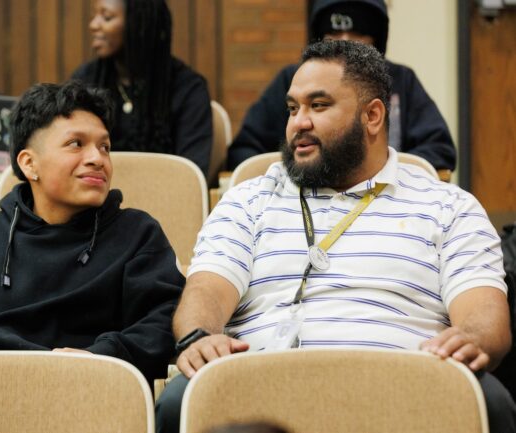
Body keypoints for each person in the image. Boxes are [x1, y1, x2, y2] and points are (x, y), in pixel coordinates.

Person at [156, 40, 515, 433]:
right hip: (261, 379)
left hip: (403, 381)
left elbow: (484, 315)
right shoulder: (249, 199)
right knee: (179, 400)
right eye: (292, 109)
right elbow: (207, 289)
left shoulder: (448, 206)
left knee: (490, 400)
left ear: (372, 116)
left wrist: (472, 337)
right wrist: (200, 336)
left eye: (318, 105)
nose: (298, 123)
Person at [0, 79, 184, 385]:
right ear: (29, 164)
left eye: (104, 146)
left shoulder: (136, 235)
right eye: (76, 144)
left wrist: (103, 356)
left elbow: (164, 320)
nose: (97, 158)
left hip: (86, 390)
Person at [227, 0, 456, 175]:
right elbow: (244, 152)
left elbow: (439, 149)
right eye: (334, 35)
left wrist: (379, 174)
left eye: (357, 35)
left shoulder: (401, 79)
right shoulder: (293, 80)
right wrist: (301, 172)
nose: (344, 43)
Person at [71, 0, 213, 177]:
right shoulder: (86, 80)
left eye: (106, 17)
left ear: (138, 23)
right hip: (96, 191)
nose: (93, 25)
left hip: (165, 192)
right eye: (95, 15)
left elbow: (191, 174)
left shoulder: (187, 88)